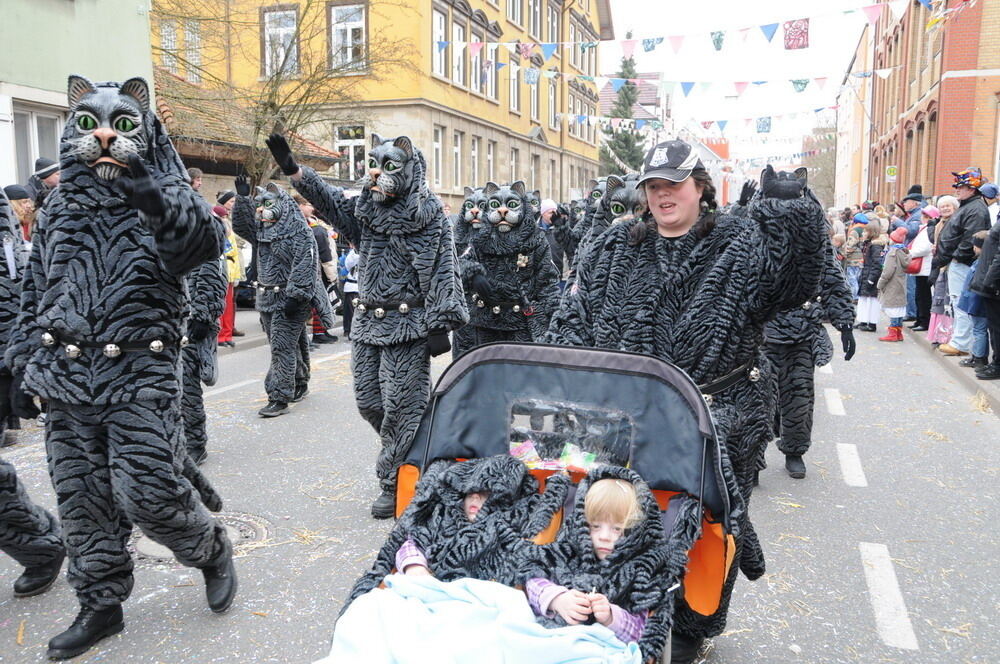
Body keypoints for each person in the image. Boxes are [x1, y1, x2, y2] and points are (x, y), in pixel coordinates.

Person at [546, 138, 828, 662]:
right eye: (653, 186)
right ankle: (620, 608)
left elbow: (794, 282)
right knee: (618, 516)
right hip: (625, 413)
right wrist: (558, 378)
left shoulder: (742, 242)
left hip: (717, 410)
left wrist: (791, 217)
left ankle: (694, 627)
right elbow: (575, 317)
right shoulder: (614, 246)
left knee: (708, 528)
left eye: (673, 184)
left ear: (700, 187)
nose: (662, 195)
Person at [4, 75, 236, 659]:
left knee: (150, 496)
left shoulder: (164, 196)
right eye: (89, 123)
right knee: (82, 502)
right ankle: (101, 604)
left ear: (145, 129)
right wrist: (23, 360)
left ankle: (210, 548)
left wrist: (156, 196)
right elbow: (38, 287)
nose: (105, 134)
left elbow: (202, 247)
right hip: (66, 377)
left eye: (123, 122)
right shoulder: (57, 207)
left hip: (139, 375)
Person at [266, 133, 468, 518]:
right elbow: (333, 206)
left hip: (410, 325)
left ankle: (396, 483)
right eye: (373, 165)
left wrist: (441, 323)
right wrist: (296, 172)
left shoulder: (430, 220)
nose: (376, 173)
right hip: (367, 324)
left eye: (388, 166)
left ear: (410, 168)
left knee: (401, 409)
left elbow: (444, 269)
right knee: (369, 403)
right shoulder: (368, 214)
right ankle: (421, 451)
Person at [341, 455, 569, 606]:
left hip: (480, 599)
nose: (476, 498)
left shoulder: (505, 527)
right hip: (432, 589)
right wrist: (414, 567)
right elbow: (413, 542)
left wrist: (551, 597)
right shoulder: (443, 516)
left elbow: (527, 566)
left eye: (485, 495)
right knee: (373, 608)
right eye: (471, 492)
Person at [520, 467, 692, 661]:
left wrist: (611, 616)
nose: (603, 537)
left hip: (600, 649)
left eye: (617, 529)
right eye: (595, 526)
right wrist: (557, 599)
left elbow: (643, 633)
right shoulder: (568, 551)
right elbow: (532, 578)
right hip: (550, 639)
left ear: (635, 530)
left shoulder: (642, 570)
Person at [231, 178, 332, 417]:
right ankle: (299, 379)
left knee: (281, 347)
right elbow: (243, 226)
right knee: (292, 343)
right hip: (267, 297)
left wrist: (296, 296)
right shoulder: (263, 231)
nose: (260, 208)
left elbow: (306, 265)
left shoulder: (299, 233)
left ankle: (279, 395)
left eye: (266, 203)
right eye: (259, 204)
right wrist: (243, 200)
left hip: (291, 298)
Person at [764, 237, 855, 480]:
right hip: (760, 330)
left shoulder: (813, 239)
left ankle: (794, 451)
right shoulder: (752, 232)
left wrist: (845, 322)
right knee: (757, 398)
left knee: (799, 396)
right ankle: (751, 456)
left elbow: (832, 279)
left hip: (801, 331)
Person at [461, 182, 561, 347]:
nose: (502, 210)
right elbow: (460, 262)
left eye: (512, 205)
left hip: (520, 322)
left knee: (518, 369)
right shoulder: (480, 239)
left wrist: (555, 318)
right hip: (486, 322)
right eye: (495, 205)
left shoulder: (536, 240)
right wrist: (474, 273)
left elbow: (548, 282)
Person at [933, 168, 993, 357]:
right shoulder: (970, 207)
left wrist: (957, 256)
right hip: (957, 260)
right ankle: (959, 340)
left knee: (961, 302)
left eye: (962, 187)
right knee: (958, 301)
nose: (957, 190)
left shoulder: (974, 209)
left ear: (972, 189)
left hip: (962, 262)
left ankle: (961, 342)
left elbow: (970, 239)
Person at [296, 194, 339, 345]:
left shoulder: (314, 223)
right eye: (307, 204)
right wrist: (330, 272)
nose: (312, 208)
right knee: (307, 305)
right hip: (309, 270)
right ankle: (310, 336)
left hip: (317, 270)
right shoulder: (298, 225)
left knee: (320, 302)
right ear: (299, 206)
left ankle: (319, 332)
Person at [970, 212, 1000, 379]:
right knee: (994, 327)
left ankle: (997, 365)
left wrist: (989, 281)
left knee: (997, 327)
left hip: (994, 284)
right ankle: (996, 362)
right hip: (991, 282)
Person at [877, 227, 911, 342]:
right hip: (900, 282)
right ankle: (899, 333)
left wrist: (880, 284)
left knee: (893, 308)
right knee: (899, 307)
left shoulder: (892, 253)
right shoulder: (903, 251)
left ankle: (893, 334)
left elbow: (887, 271)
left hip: (892, 284)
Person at [908, 205, 939, 331]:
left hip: (925, 266)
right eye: (923, 215)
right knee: (919, 294)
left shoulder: (929, 229)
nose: (923, 218)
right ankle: (920, 319)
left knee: (924, 296)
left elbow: (925, 247)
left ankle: (924, 321)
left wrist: (910, 253)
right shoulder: (924, 229)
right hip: (921, 267)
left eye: (927, 216)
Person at [855, 223, 888, 332]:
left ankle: (872, 323)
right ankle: (863, 320)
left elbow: (877, 264)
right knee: (864, 299)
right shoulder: (869, 244)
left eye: (865, 231)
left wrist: (871, 279)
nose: (863, 233)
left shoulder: (876, 246)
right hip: (866, 273)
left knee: (872, 300)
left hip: (870, 275)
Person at [842, 213, 868, 298]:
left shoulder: (855, 230)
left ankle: (854, 297)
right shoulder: (866, 230)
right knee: (858, 278)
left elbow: (851, 244)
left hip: (853, 258)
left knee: (852, 279)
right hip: (861, 257)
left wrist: (844, 253)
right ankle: (858, 296)